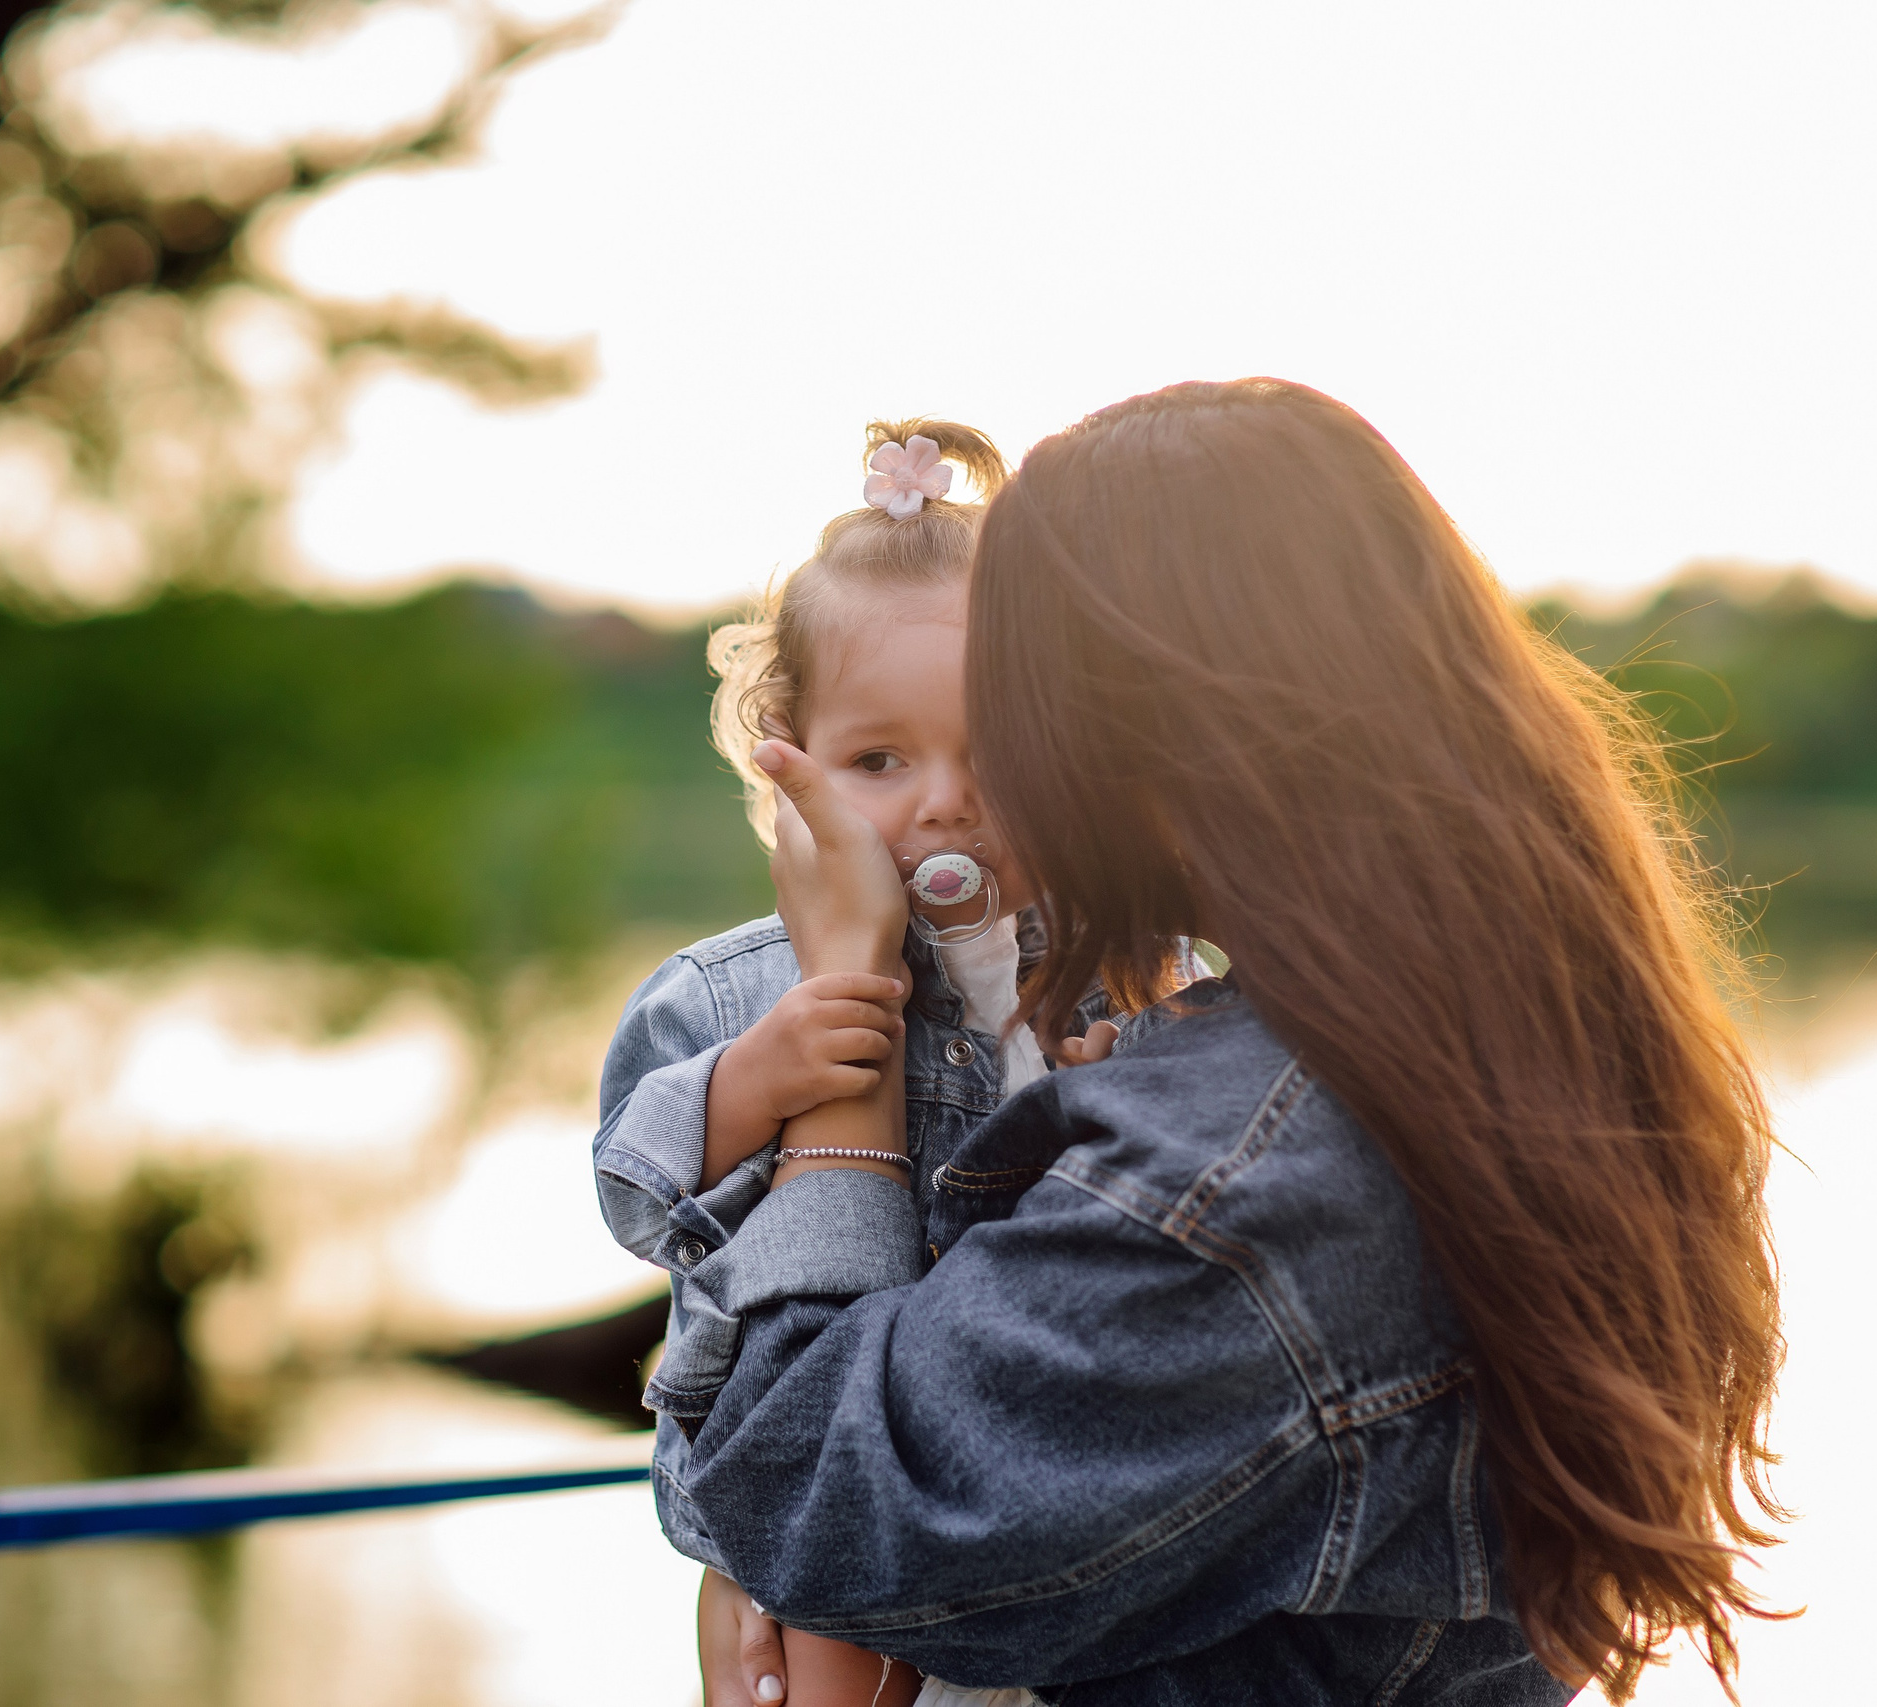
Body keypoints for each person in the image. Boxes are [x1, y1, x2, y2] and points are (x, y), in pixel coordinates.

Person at [678, 380, 1787, 1706]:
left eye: (1012, 709)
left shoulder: (1227, 1189)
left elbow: (810, 1505)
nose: (980, 784)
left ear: (1136, 737)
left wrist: (845, 1006)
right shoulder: (1531, 1031)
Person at [593, 419, 1147, 1707]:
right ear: (788, 756)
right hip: (792, 1450)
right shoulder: (729, 992)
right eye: (879, 761)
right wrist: (752, 1084)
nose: (945, 801)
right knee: (834, 1646)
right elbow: (633, 1193)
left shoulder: (1120, 965)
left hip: (1023, 1462)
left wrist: (1117, 1077)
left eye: (995, 753)